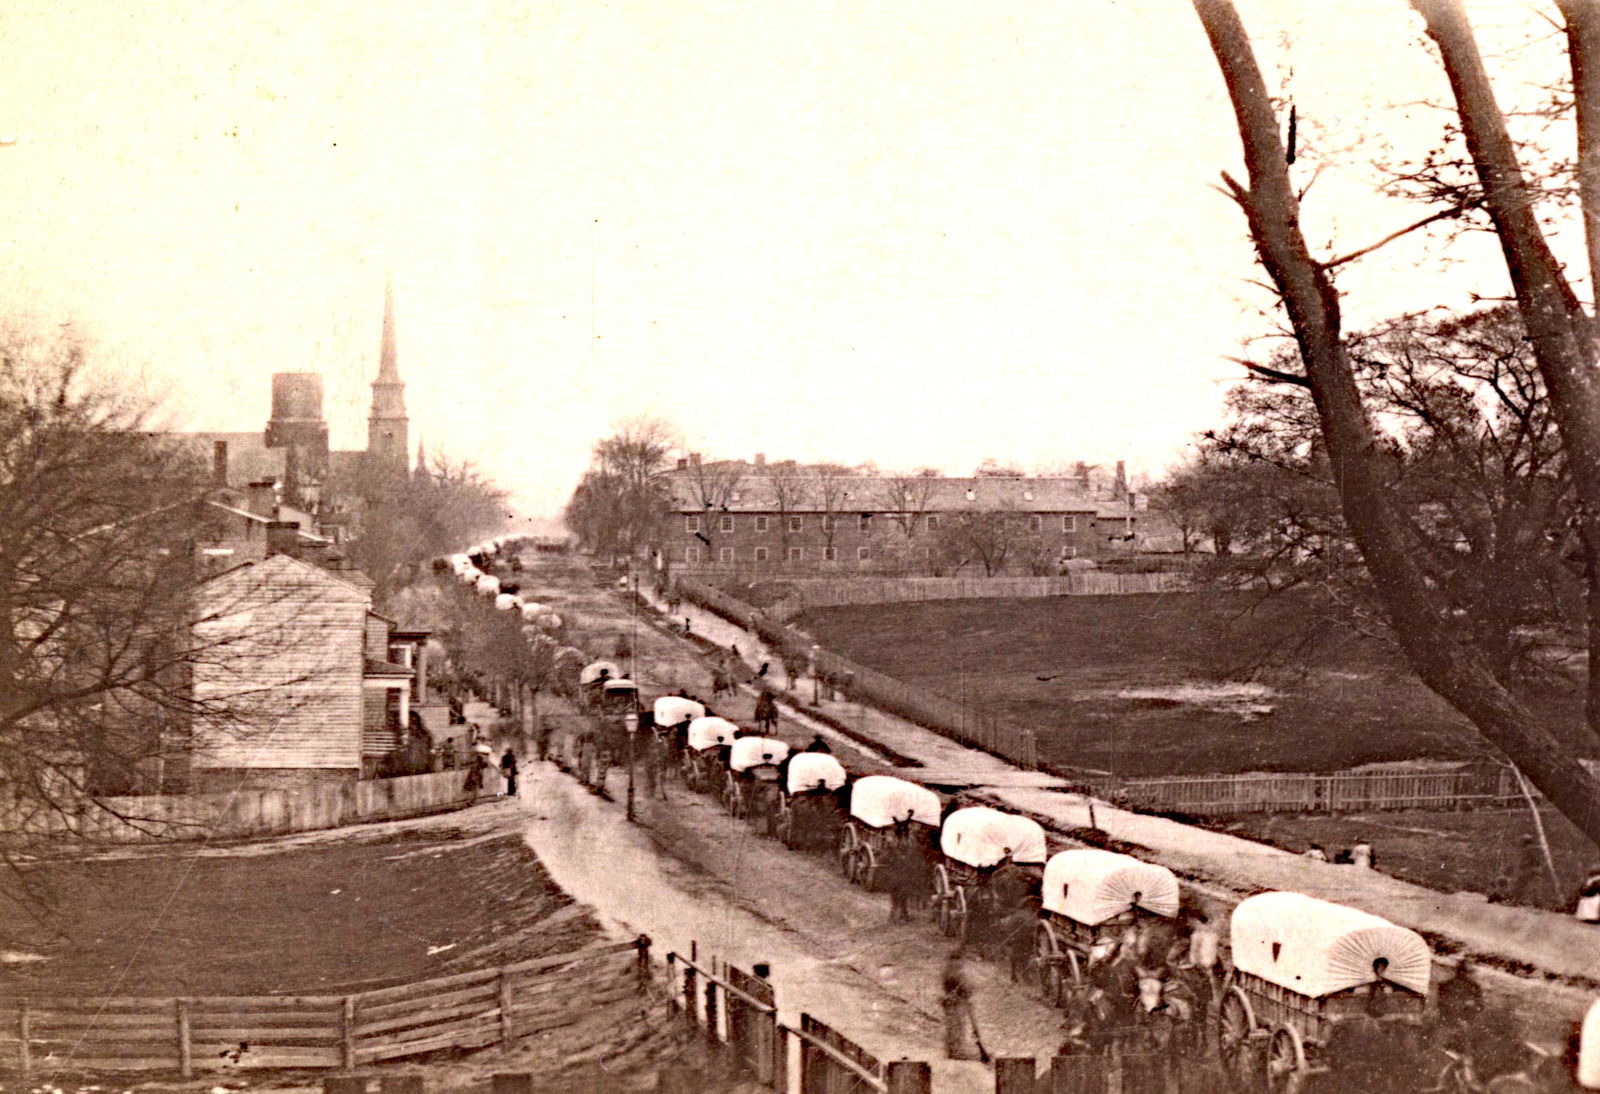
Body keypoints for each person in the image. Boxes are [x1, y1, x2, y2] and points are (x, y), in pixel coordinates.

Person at [942, 947, 982, 1060]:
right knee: (958, 1026)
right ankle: (956, 1052)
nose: (960, 962)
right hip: (958, 1002)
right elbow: (967, 989)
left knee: (953, 1027)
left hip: (951, 1002)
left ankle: (952, 1051)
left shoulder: (947, 971)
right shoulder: (958, 972)